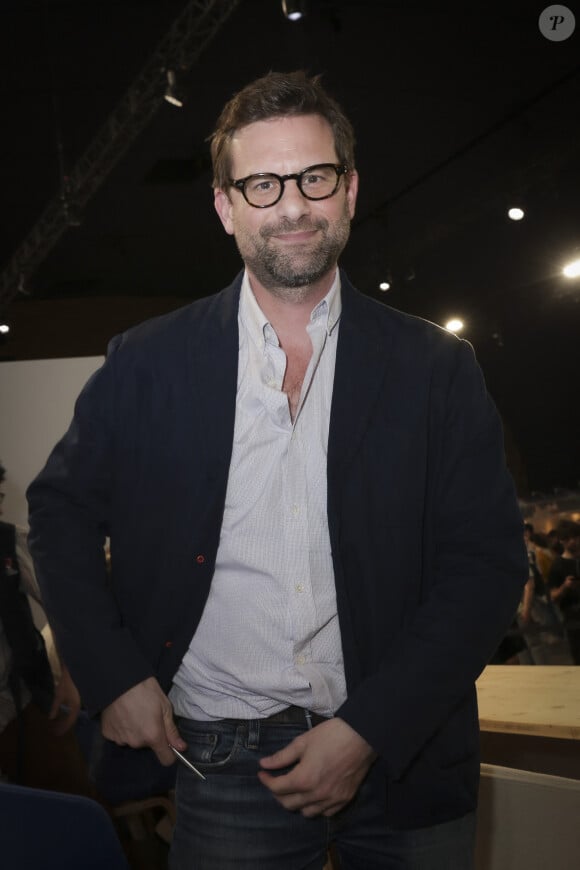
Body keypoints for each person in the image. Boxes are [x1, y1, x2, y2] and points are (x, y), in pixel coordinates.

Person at [27, 71, 527, 869]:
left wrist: (369, 730)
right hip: (219, 762)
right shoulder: (147, 362)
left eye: (314, 177)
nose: (292, 206)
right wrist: (113, 673)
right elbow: (58, 516)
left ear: (350, 190)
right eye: (262, 183)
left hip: (403, 753)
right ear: (226, 206)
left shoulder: (436, 368)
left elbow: (487, 565)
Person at [0, 461, 84, 791]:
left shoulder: (11, 545)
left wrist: (70, 676)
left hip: (19, 704)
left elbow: (62, 606)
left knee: (68, 797)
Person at [548, 519, 580, 664]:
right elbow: (553, 596)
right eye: (569, 539)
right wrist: (565, 587)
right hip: (572, 616)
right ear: (562, 541)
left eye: (576, 537)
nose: (574, 541)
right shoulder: (557, 565)